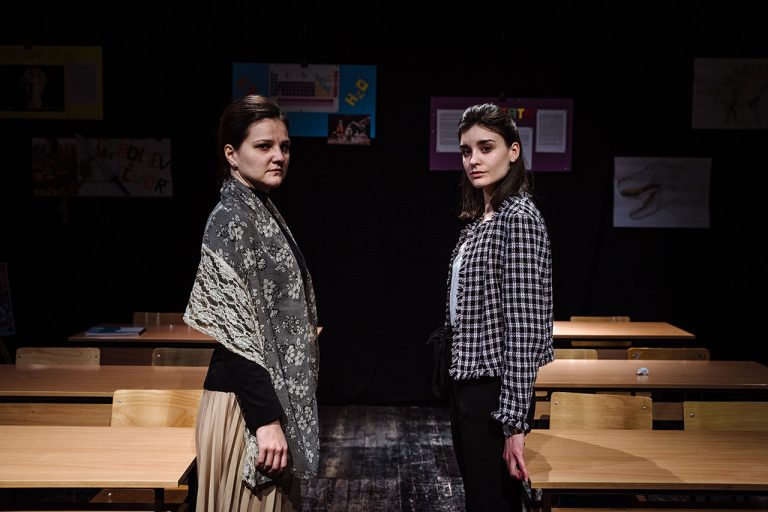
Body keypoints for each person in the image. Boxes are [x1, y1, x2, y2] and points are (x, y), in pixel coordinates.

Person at [184, 94, 319, 511]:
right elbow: (236, 336)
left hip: (261, 401)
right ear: (232, 154)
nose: (279, 156)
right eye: (264, 146)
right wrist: (265, 422)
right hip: (246, 407)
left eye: (284, 146)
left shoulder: (260, 211)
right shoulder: (231, 219)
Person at [444, 103, 554, 511]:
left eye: (485, 148)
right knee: (480, 499)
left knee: (493, 502)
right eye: (466, 151)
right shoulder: (483, 218)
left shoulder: (518, 218)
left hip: (494, 391)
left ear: (513, 151)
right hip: (469, 384)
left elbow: (524, 330)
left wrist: (513, 423)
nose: (473, 159)